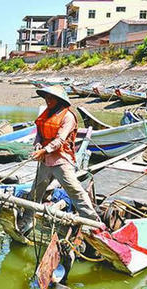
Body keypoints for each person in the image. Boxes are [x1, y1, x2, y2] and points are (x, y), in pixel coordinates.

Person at [17, 85, 98, 235]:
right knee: (36, 191)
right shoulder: (46, 114)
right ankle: (28, 220)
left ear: (59, 100)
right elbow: (39, 135)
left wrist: (45, 150)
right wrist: (38, 147)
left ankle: (92, 223)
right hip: (45, 159)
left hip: (61, 159)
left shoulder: (68, 117)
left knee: (74, 190)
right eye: (46, 97)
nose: (47, 100)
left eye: (51, 98)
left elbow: (60, 139)